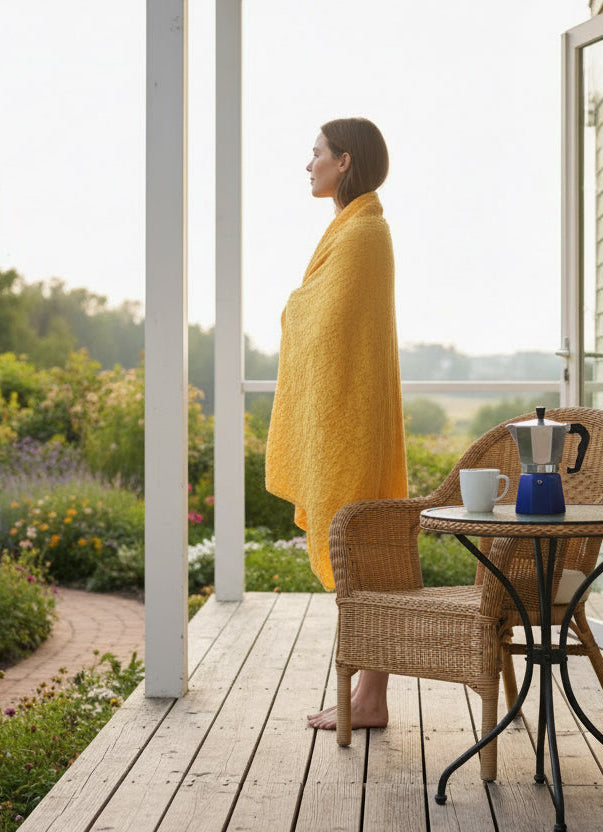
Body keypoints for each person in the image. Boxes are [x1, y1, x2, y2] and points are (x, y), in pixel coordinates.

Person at [265, 118, 408, 730]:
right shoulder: (354, 229)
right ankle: (367, 696)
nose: (309, 164)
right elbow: (327, 316)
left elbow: (325, 320)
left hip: (354, 419)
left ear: (344, 161)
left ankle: (370, 699)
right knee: (359, 552)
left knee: (363, 551)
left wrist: (292, 307)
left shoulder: (364, 235)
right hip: (348, 416)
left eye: (317, 153)